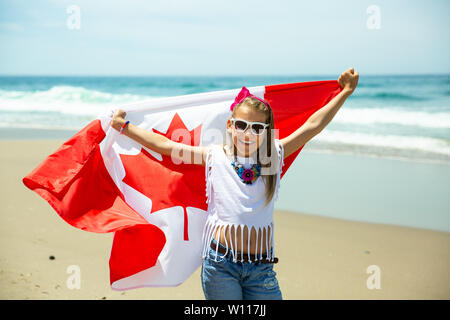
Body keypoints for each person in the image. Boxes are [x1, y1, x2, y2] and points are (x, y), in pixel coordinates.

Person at [110, 68, 359, 300]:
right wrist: (126, 128)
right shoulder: (214, 156)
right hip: (220, 266)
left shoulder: (272, 157)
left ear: (267, 131)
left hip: (261, 269)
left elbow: (312, 126)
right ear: (231, 126)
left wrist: (345, 93)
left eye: (257, 128)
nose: (248, 133)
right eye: (241, 125)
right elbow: (168, 146)